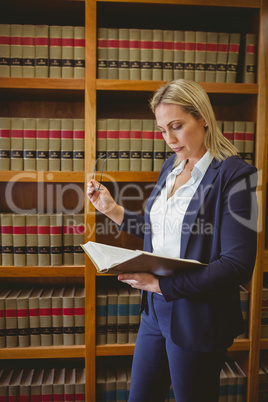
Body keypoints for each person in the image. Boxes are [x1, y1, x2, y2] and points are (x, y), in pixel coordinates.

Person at [87, 79, 258, 402]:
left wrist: (163, 286)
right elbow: (161, 231)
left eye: (177, 126)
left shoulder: (237, 176)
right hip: (154, 313)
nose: (169, 139)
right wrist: (112, 210)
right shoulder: (171, 166)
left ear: (203, 117)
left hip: (197, 316)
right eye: (163, 130)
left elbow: (237, 265)